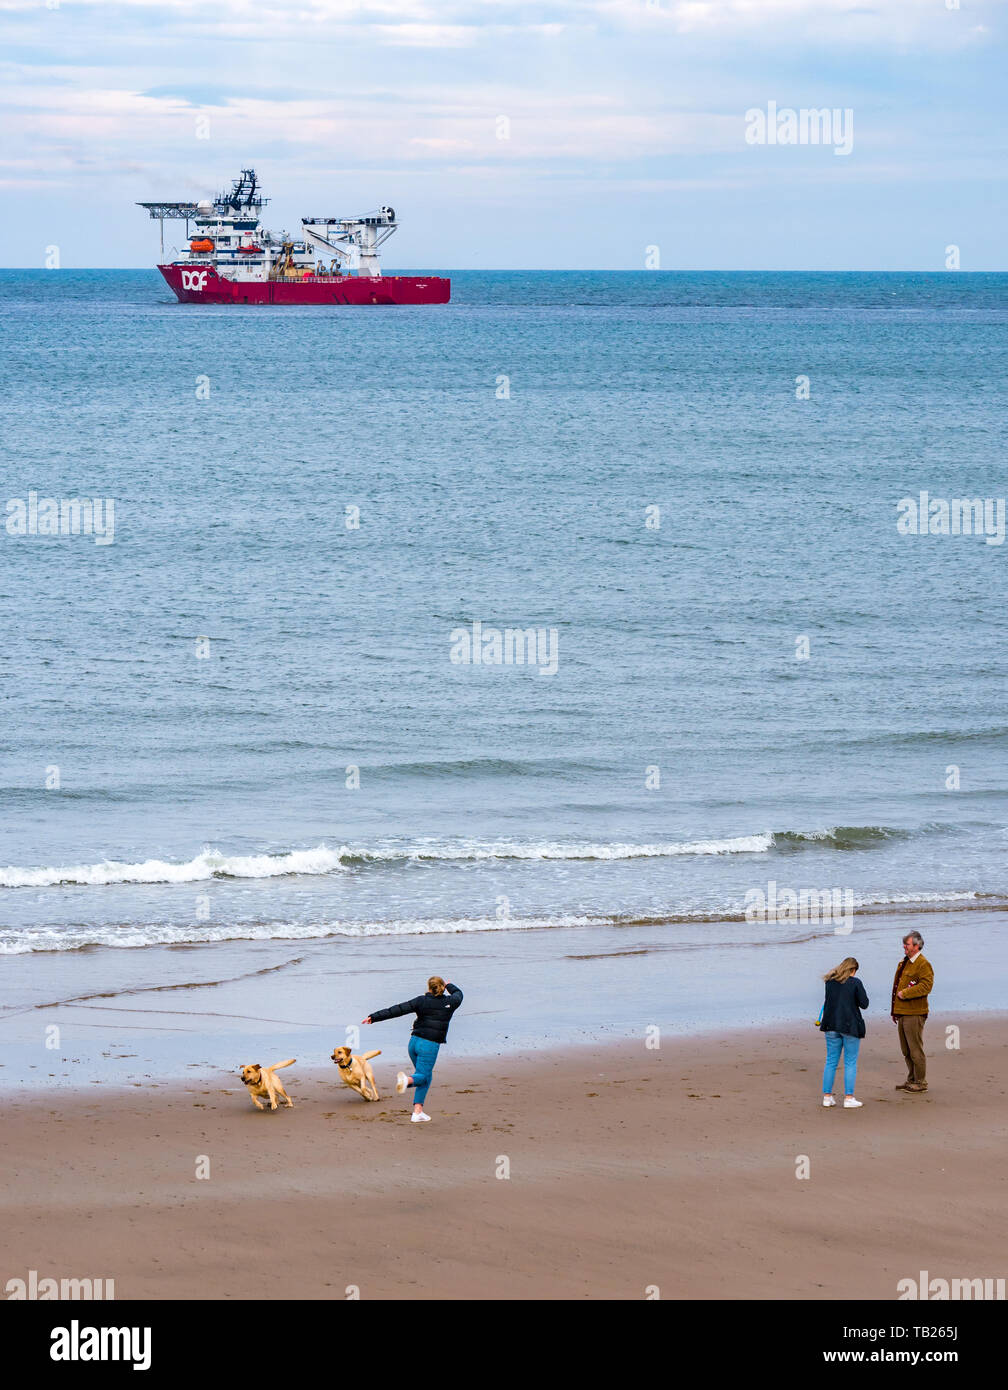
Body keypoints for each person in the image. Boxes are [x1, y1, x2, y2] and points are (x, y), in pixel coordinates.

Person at [362, 976, 463, 1122]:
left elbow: (397, 1010)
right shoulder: (450, 1002)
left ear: (429, 988)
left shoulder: (421, 1001)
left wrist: (374, 1017)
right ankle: (407, 1080)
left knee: (425, 1077)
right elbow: (459, 994)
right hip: (429, 1045)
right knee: (422, 1076)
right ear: (442, 987)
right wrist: (450, 985)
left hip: (413, 1043)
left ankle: (417, 1112)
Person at [819, 956, 869, 1109]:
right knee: (850, 1062)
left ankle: (827, 1097)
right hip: (849, 1026)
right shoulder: (855, 982)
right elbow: (864, 1004)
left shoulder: (830, 982)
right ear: (853, 970)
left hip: (831, 1024)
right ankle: (849, 1097)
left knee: (831, 1061)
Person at [891, 930, 934, 1092]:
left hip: (915, 1013)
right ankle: (912, 1080)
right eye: (904, 944)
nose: (904, 947)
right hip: (902, 1012)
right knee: (906, 1050)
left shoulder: (923, 964)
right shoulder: (904, 962)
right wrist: (895, 1011)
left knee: (915, 1050)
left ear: (916, 946)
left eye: (907, 944)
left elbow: (926, 986)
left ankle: (921, 1083)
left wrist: (906, 993)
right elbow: (896, 988)